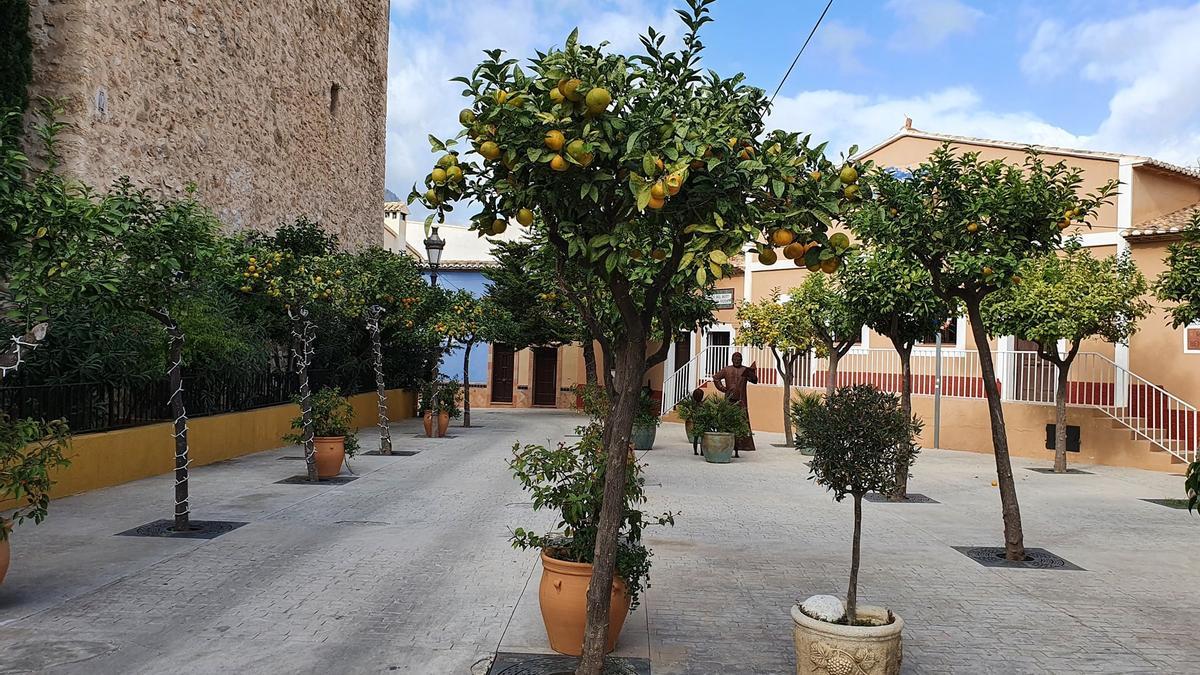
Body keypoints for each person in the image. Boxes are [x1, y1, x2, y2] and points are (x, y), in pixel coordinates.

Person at [712, 352, 757, 455]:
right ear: (732, 360)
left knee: (742, 419)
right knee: (727, 418)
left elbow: (754, 380)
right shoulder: (727, 369)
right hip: (729, 398)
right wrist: (723, 389)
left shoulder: (745, 370)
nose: (737, 361)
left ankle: (744, 444)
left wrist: (752, 373)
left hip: (741, 399)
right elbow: (716, 378)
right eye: (735, 359)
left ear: (741, 360)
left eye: (739, 359)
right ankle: (726, 442)